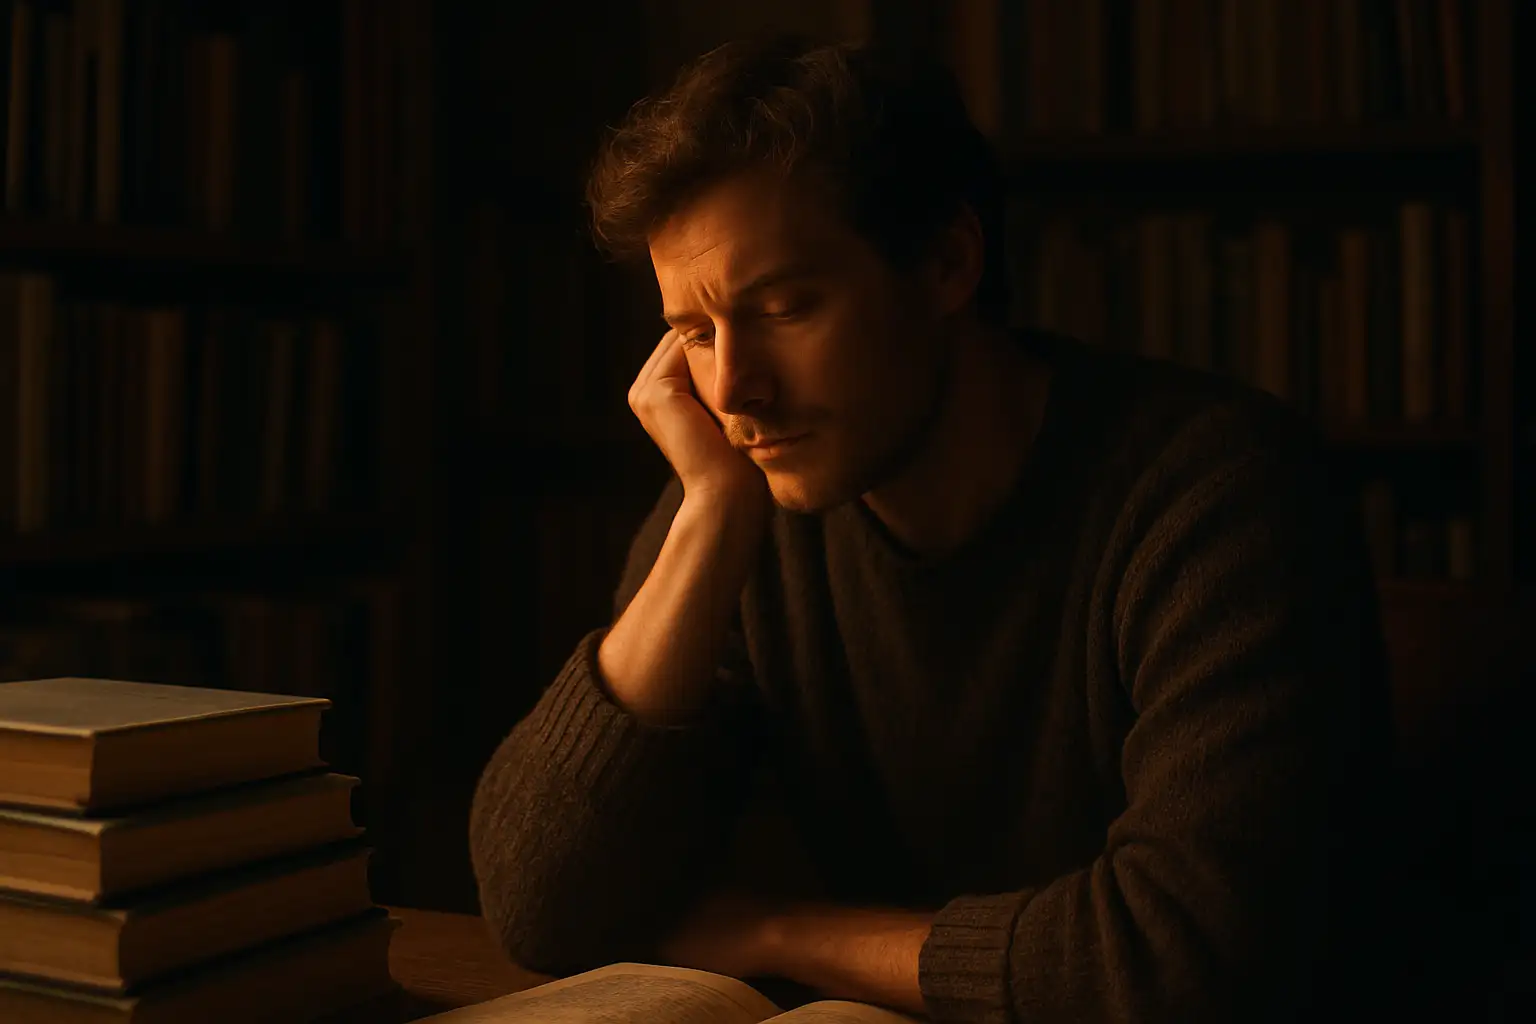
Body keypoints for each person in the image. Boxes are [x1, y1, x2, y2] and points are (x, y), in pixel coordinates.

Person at [469, 32, 1400, 1024]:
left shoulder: (1216, 496)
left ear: (948, 263)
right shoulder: (749, 495)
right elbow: (539, 901)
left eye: (784, 306)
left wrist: (780, 931)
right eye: (694, 332)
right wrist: (705, 520)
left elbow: (1181, 964)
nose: (733, 387)